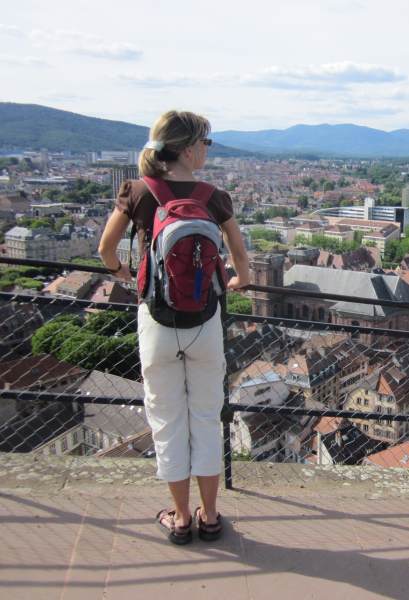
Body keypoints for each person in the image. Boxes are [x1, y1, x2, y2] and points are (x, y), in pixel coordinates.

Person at [98, 110, 250, 543]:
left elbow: (106, 248)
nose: (207, 150)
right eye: (206, 143)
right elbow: (242, 262)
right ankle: (211, 516)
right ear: (187, 148)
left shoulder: (139, 191)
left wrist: (122, 272)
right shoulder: (214, 195)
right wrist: (236, 280)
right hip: (205, 320)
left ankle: (181, 518)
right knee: (205, 416)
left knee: (166, 419)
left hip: (158, 319)